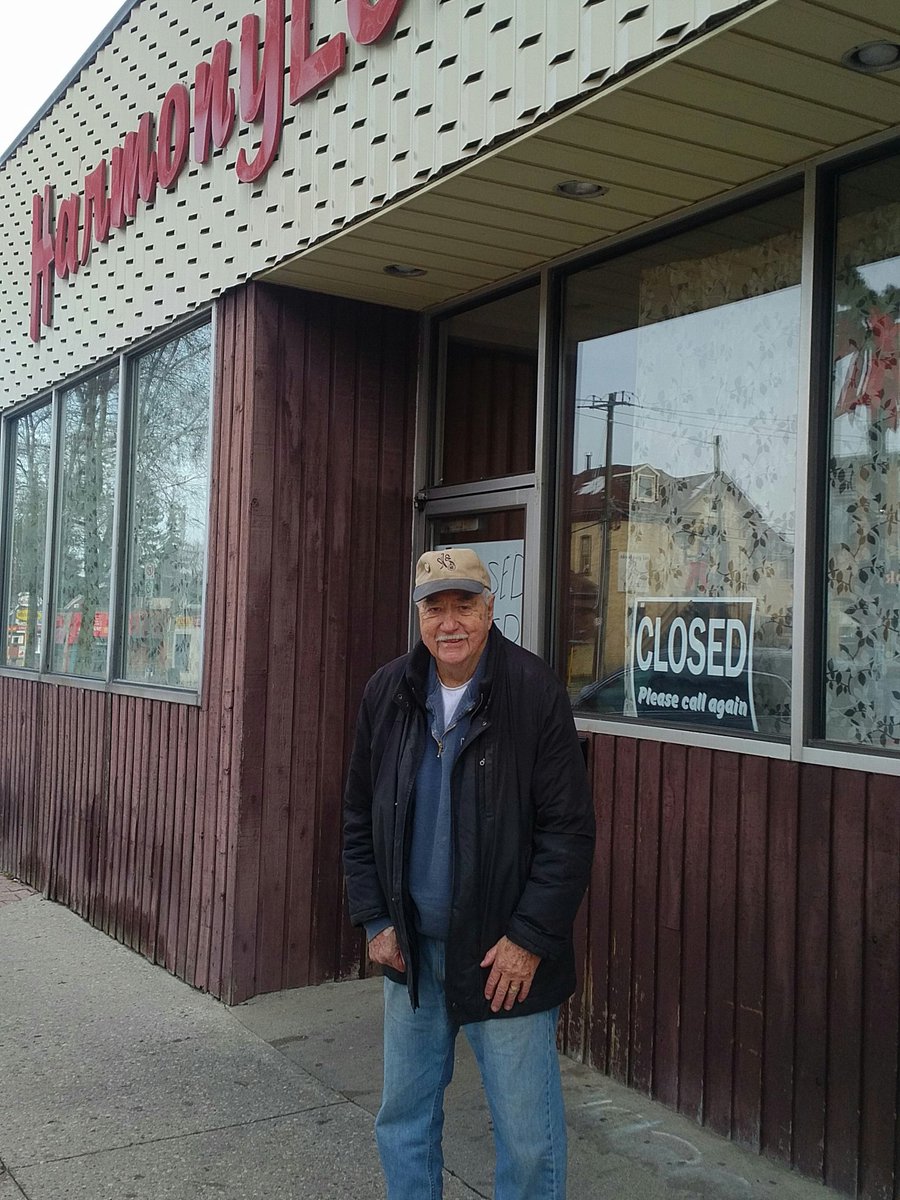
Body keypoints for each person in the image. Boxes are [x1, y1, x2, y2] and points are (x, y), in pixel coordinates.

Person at [343, 547, 595, 1200]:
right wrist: (375, 918)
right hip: (412, 949)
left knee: (529, 1140)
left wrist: (528, 939)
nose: (449, 623)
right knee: (403, 1120)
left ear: (490, 610)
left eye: (464, 606)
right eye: (435, 608)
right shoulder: (387, 692)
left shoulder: (534, 693)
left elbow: (568, 833)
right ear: (419, 615)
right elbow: (358, 815)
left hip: (502, 957)